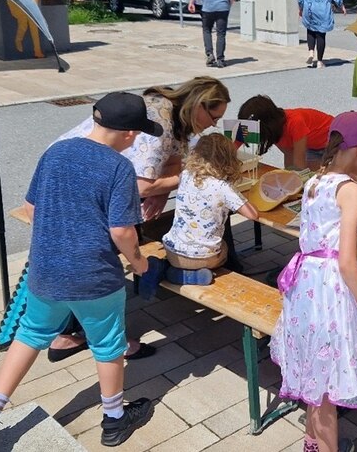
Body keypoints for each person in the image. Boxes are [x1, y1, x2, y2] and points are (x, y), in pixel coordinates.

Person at [0, 92, 156, 447]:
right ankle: (113, 420)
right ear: (128, 134)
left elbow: (32, 209)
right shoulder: (119, 167)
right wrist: (139, 263)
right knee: (108, 344)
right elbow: (122, 231)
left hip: (45, 271)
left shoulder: (56, 152)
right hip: (94, 276)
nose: (138, 140)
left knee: (31, 333)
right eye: (139, 134)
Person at [47, 78, 232, 362]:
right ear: (198, 105)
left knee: (84, 259)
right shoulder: (162, 122)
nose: (214, 125)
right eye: (214, 116)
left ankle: (69, 332)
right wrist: (191, 179)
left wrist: (162, 188)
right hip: (80, 186)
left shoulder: (170, 112)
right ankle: (103, 339)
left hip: (67, 175)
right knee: (101, 263)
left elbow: (169, 160)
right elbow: (140, 187)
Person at [270, 111, 357, 452]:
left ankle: (311, 443)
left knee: (312, 368)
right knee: (329, 383)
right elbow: (348, 258)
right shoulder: (351, 190)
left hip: (304, 283)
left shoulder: (316, 180)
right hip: (330, 288)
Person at [159, 133, 259, 285]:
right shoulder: (223, 188)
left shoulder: (185, 175)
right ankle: (191, 275)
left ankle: (171, 270)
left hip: (173, 250)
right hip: (204, 257)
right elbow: (252, 215)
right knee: (224, 248)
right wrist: (241, 197)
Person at [237, 95, 333, 170]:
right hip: (312, 147)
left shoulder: (295, 122)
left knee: (322, 176)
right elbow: (289, 155)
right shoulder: (273, 128)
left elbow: (299, 164)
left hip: (336, 142)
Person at [188, 0, 237, 68]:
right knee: (221, 34)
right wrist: (229, 3)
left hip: (207, 7)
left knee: (206, 30)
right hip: (222, 6)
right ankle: (220, 59)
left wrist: (191, 2)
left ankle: (210, 55)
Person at [299, 0, 346, 68]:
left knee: (310, 30)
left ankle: (311, 52)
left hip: (309, 7)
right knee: (321, 34)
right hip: (323, 8)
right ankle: (320, 61)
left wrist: (301, 8)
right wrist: (341, 5)